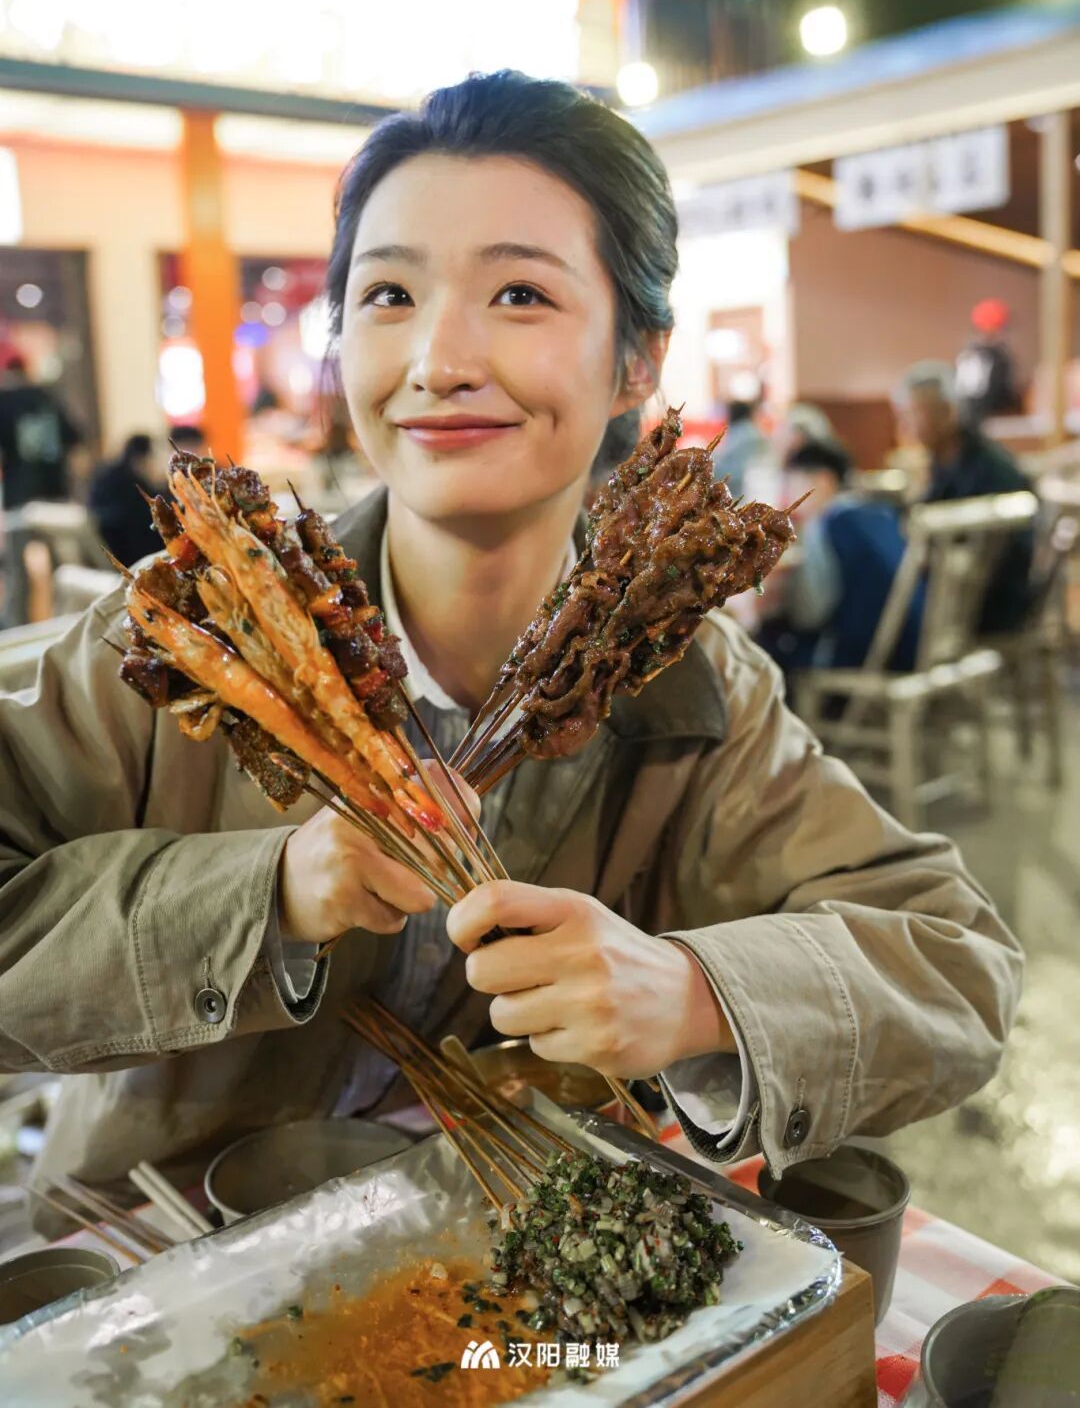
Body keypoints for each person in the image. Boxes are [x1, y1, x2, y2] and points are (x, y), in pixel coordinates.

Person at [0, 74, 1020, 1210]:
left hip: (490, 1258)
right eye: (389, 293)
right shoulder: (198, 632)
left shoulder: (687, 685)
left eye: (521, 293)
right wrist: (271, 889)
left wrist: (691, 991)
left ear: (639, 359)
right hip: (158, 1246)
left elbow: (957, 966)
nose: (440, 358)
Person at [759, 439, 923, 675]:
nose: (788, 498)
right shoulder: (881, 512)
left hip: (864, 658)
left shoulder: (828, 522)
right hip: (911, 646)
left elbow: (810, 614)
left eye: (793, 484)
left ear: (822, 481)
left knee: (767, 643)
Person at [900, 361, 1033, 633]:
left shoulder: (991, 467)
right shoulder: (943, 460)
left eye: (916, 413)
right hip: (953, 592)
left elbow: (1006, 556)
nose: (908, 425)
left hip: (986, 604)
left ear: (948, 412)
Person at [0, 354, 82, 628]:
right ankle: (69, 623)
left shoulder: (4, 401)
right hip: (54, 493)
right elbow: (74, 440)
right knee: (63, 568)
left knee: (17, 572)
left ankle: (15, 628)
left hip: (20, 500)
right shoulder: (47, 398)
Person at [88, 434, 167, 571]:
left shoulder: (106, 476)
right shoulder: (133, 488)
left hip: (109, 553)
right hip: (132, 560)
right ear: (142, 458)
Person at [955, 299, 1020, 427]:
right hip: (982, 421)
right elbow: (969, 395)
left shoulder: (1001, 355)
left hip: (999, 419)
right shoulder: (974, 357)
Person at [710, 388, 776, 500]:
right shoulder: (748, 431)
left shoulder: (744, 433)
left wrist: (708, 469)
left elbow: (735, 468)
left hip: (741, 491)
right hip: (748, 487)